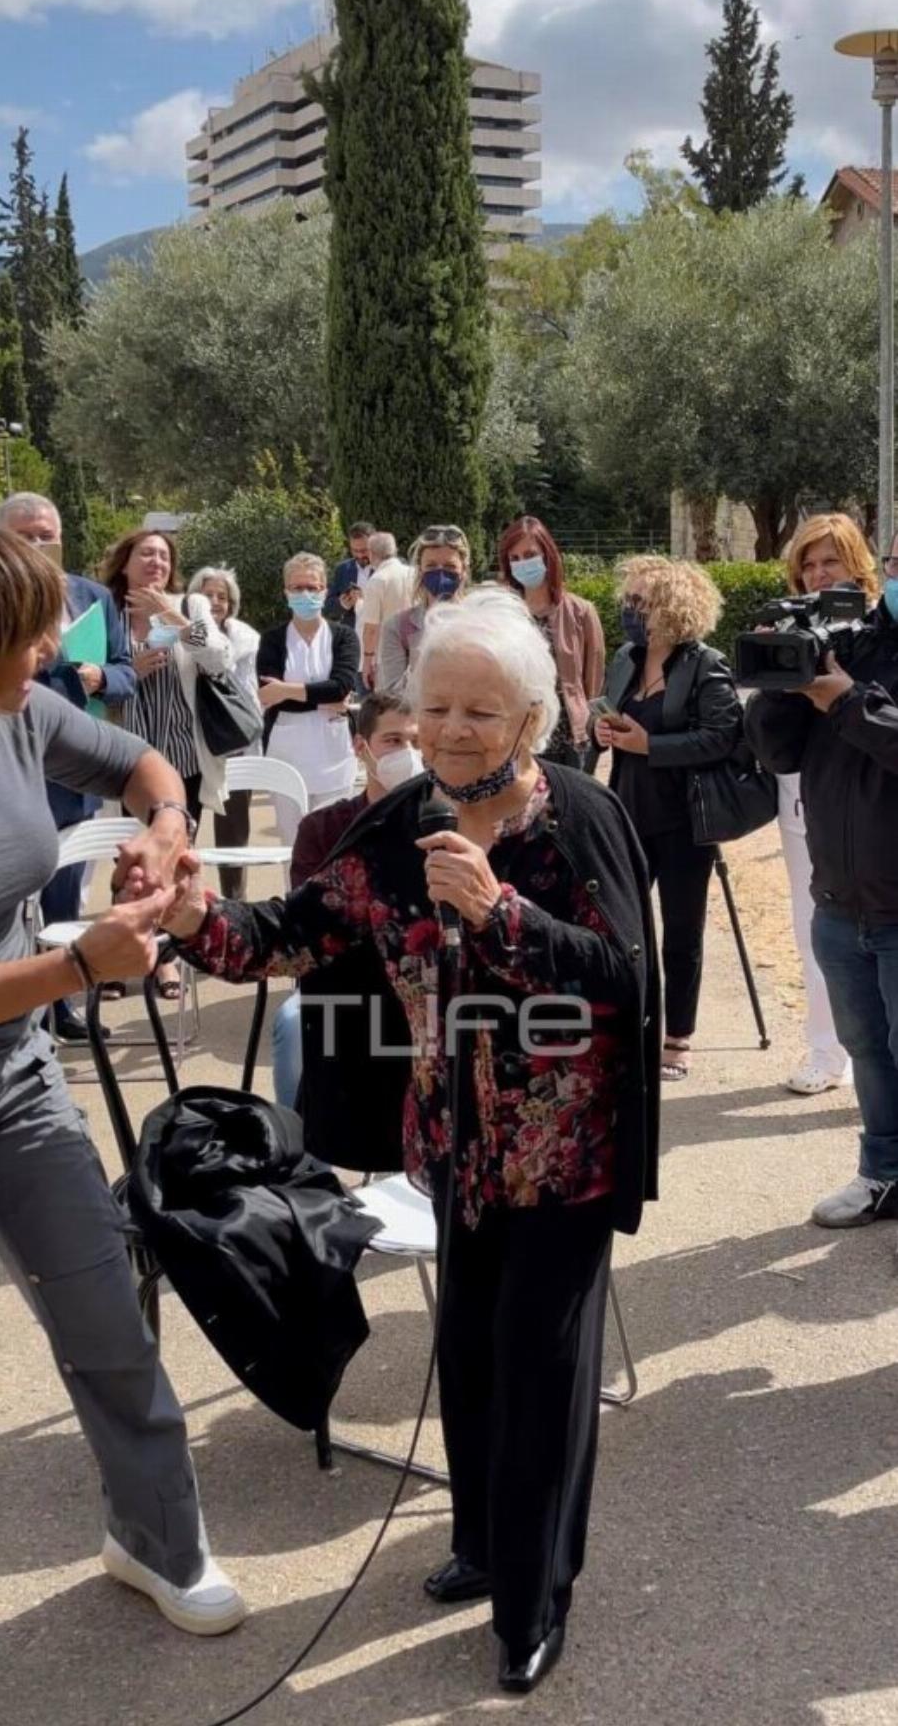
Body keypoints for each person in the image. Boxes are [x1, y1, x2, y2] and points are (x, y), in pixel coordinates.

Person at [165, 585, 659, 1695]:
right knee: (471, 1354)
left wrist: (505, 917)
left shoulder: (575, 820)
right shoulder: (399, 824)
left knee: (541, 1367)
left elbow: (624, 979)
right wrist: (200, 921)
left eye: (479, 712)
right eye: (434, 707)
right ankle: (482, 1547)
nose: (447, 731)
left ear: (530, 721)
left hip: (563, 1156)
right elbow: (294, 931)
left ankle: (536, 1602)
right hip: (457, 1147)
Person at [0, 529, 244, 1634]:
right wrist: (78, 965)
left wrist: (165, 825)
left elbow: (138, 761)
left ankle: (157, 1540)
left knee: (103, 1306)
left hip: (15, 1080)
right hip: (35, 1007)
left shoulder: (21, 709)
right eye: (35, 626)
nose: (59, 641)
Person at [745, 536, 898, 1231]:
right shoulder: (849, 643)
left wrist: (843, 701)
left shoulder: (859, 671)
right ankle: (882, 1174)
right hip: (840, 899)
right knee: (866, 1050)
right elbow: (776, 752)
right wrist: (786, 681)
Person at [593, 554, 742, 1082]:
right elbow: (613, 713)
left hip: (684, 821)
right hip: (628, 812)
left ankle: (677, 1037)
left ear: (672, 607)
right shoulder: (624, 658)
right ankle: (631, 1025)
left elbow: (722, 737)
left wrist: (650, 743)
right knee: (622, 928)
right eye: (628, 601)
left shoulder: (706, 664)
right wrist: (606, 733)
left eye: (641, 602)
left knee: (682, 932)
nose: (630, 611)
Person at [0, 492, 136, 1042]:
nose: (50, 651)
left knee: (66, 892)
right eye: (25, 535)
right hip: (32, 760)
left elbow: (141, 668)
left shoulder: (105, 599)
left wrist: (185, 615)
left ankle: (58, 1009)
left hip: (113, 750)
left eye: (46, 536)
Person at [271, 691, 422, 1110]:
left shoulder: (444, 821)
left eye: (417, 742)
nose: (408, 753)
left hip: (421, 981)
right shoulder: (322, 828)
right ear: (361, 748)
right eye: (393, 741)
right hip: (341, 978)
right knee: (291, 1024)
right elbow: (305, 924)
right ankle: (305, 1168)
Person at [99, 528, 233, 999]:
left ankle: (167, 961)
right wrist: (125, 674)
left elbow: (219, 660)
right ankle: (118, 956)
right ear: (125, 561)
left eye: (163, 555)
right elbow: (86, 676)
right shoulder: (106, 611)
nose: (156, 561)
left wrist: (172, 617)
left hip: (182, 758)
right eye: (146, 553)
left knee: (175, 860)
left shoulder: (191, 606)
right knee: (128, 861)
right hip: (122, 757)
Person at [776, 515, 879, 1095]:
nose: (817, 576)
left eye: (829, 562)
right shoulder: (790, 628)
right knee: (812, 925)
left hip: (873, 807)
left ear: (856, 566)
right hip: (804, 804)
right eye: (807, 566)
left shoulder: (876, 632)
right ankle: (825, 1048)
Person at [256, 551, 360, 844]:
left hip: (335, 752)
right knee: (293, 842)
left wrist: (287, 690)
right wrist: (323, 695)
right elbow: (267, 693)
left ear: (325, 590)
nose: (305, 594)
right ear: (286, 592)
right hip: (286, 752)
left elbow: (341, 686)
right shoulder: (273, 640)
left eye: (312, 588)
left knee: (333, 839)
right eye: (297, 587)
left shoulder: (343, 637)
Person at [497, 515, 605, 768]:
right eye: (515, 559)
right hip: (520, 736)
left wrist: (588, 724)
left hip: (571, 739)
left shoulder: (581, 612)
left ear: (547, 554)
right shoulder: (502, 613)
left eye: (530, 554)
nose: (523, 563)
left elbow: (593, 681)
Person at [187, 564, 261, 901]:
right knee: (185, 830)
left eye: (222, 597)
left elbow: (217, 661)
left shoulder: (244, 637)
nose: (215, 602)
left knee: (233, 835)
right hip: (187, 747)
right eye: (207, 595)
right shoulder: (175, 630)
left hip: (231, 747)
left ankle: (234, 904)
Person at [379, 524, 471, 691]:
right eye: (431, 566)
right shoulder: (398, 627)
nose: (440, 573)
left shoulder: (480, 623)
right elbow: (393, 693)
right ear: (420, 571)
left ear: (463, 570)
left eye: (450, 567)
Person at [360, 532, 415, 687]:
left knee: (389, 705)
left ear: (371, 553)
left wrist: (367, 662)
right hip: (416, 649)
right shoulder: (414, 573)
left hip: (388, 655)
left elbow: (371, 628)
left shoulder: (377, 580)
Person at [324, 520, 375, 638]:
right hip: (352, 638)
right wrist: (342, 604)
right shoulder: (342, 570)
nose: (359, 555)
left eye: (364, 550)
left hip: (380, 638)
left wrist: (366, 597)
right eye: (355, 551)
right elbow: (327, 607)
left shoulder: (385, 568)